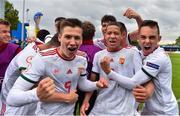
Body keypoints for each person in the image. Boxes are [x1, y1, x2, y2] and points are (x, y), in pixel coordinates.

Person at [6, 18, 106, 115]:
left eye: (77, 38)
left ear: (81, 40)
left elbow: (82, 84)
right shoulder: (42, 58)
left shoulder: (82, 59)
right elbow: (12, 98)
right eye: (68, 37)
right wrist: (36, 94)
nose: (72, 42)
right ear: (59, 37)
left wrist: (97, 84)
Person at [100, 20, 179, 115]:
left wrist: (109, 72)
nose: (147, 41)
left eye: (152, 37)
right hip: (149, 109)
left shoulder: (158, 58)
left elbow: (134, 83)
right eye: (143, 37)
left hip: (164, 111)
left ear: (159, 39)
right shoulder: (141, 54)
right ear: (138, 38)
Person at [82, 22, 142, 115]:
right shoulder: (99, 55)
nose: (112, 36)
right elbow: (92, 81)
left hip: (124, 111)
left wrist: (135, 106)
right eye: (109, 33)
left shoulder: (133, 53)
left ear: (122, 36)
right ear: (104, 36)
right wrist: (86, 101)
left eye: (116, 33)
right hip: (101, 108)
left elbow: (138, 83)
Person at [0, 31, 60, 115]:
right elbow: (32, 84)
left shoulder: (43, 51)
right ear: (55, 47)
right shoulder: (30, 54)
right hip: (13, 103)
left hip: (30, 100)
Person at [74, 21, 101, 115]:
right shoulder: (99, 51)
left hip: (72, 87)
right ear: (94, 34)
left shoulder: (72, 48)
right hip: (91, 88)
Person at [0, 19, 22, 91]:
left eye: (9, 32)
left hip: (6, 92)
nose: (8, 34)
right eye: (4, 32)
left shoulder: (15, 49)